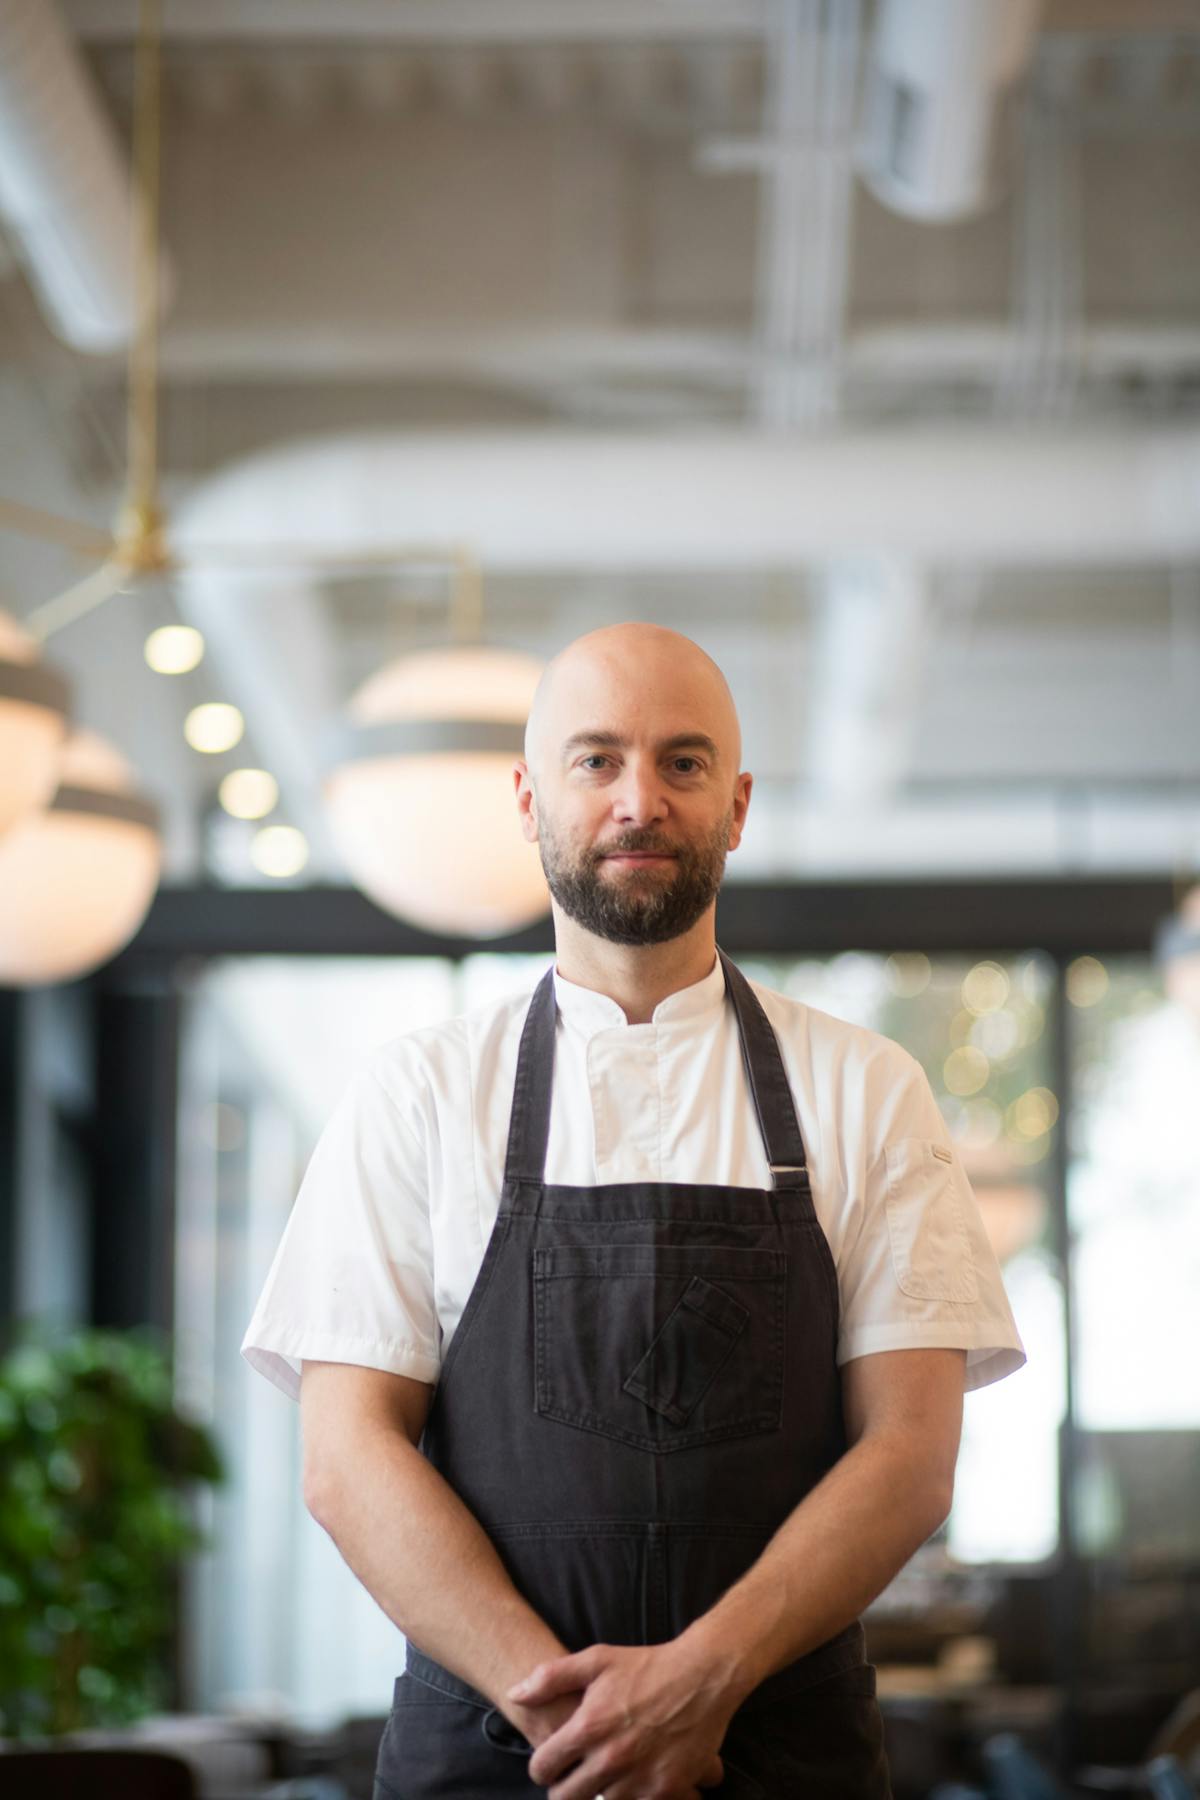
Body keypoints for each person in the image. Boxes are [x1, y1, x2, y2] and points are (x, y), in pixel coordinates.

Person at [242, 622, 1025, 1799]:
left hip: (774, 1753)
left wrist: (704, 1681)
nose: (638, 800)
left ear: (739, 804)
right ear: (527, 797)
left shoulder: (863, 1089)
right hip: (497, 1757)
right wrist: (579, 1721)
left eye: (684, 763)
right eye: (596, 760)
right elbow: (348, 1457)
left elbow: (911, 1455)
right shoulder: (418, 1093)